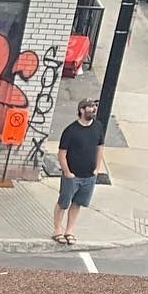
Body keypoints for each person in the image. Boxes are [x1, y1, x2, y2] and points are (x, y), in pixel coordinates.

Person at [53, 96, 105, 248]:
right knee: (63, 203)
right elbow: (61, 153)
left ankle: (69, 231)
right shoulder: (71, 131)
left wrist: (97, 168)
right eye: (89, 107)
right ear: (82, 110)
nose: (93, 109)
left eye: (94, 106)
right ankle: (57, 230)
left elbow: (100, 147)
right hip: (72, 176)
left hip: (89, 176)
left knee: (77, 204)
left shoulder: (98, 126)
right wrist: (67, 172)